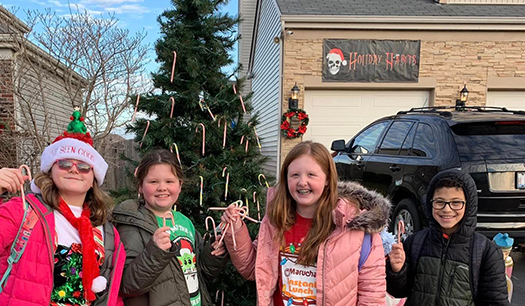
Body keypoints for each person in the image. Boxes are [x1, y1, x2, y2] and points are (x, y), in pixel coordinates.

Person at [0, 110, 126, 306]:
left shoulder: (107, 232)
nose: (74, 169)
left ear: (93, 179)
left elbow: (112, 293)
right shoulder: (24, 212)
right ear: (51, 170)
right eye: (65, 163)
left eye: (83, 166)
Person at [220, 141, 390, 306]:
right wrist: (234, 229)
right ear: (286, 179)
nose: (302, 182)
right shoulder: (275, 221)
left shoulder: (354, 227)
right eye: (295, 175)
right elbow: (251, 268)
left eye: (311, 175)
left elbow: (372, 296)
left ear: (327, 179)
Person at [112, 149, 228, 306]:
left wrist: (214, 254)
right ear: (140, 186)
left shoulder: (185, 222)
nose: (162, 188)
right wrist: (155, 252)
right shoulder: (132, 226)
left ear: (180, 186)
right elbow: (127, 285)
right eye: (153, 182)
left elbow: (202, 273)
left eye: (169, 181)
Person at [386, 169, 509, 306]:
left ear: (469, 205)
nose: (447, 209)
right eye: (439, 202)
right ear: (430, 203)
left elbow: (496, 302)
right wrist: (397, 271)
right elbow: (398, 291)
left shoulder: (485, 252)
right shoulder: (415, 242)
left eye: (456, 203)